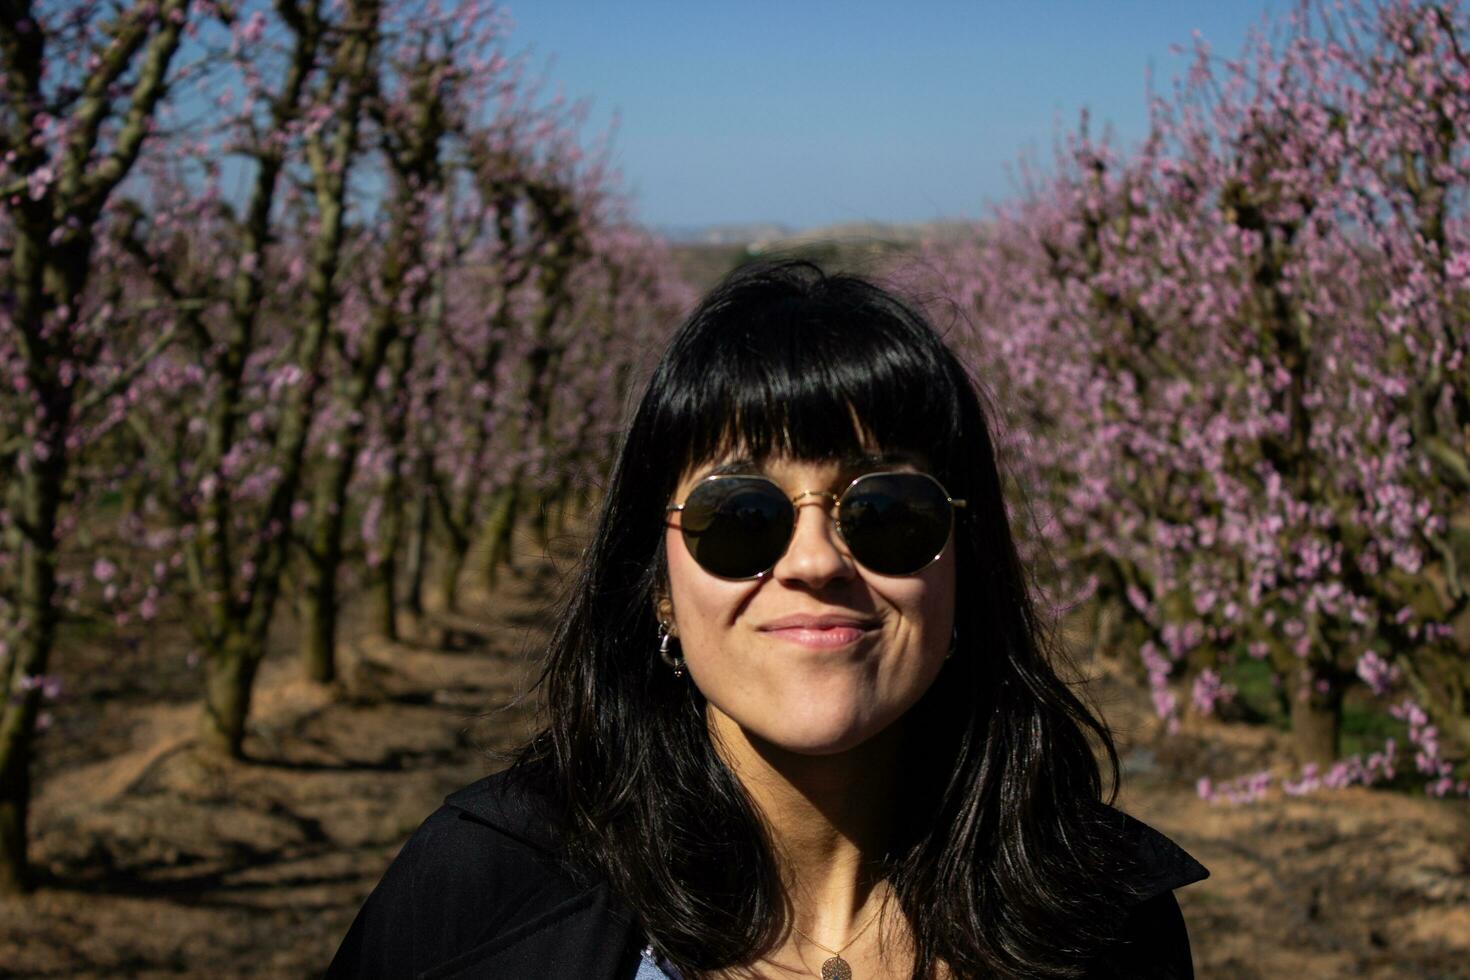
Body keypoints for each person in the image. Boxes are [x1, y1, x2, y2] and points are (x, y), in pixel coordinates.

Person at [326, 259, 1207, 979]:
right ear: (659, 587)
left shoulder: (1106, 925)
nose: (815, 561)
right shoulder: (486, 894)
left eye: (887, 511)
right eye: (741, 516)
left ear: (963, 568)